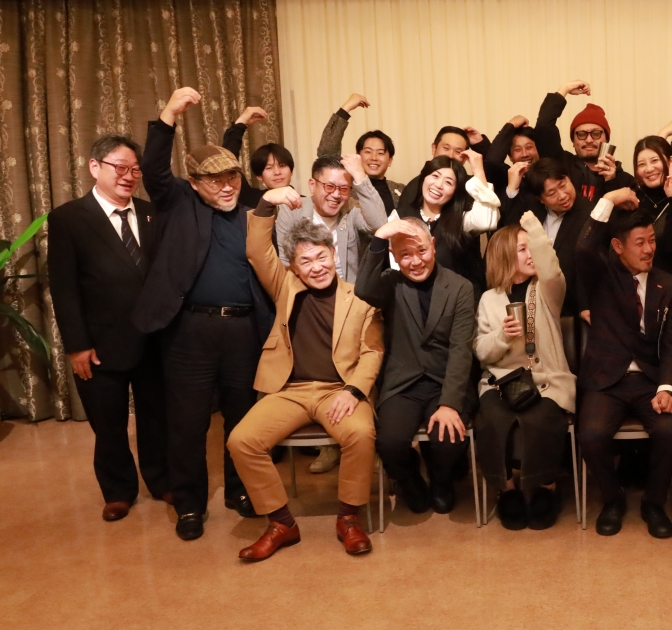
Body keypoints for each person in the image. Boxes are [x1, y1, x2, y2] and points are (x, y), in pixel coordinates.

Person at [132, 87, 274, 541]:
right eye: (214, 181)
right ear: (193, 183)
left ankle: (241, 491)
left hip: (243, 331)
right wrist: (169, 114)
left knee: (242, 419)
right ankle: (190, 504)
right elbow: (155, 169)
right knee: (188, 423)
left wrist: (238, 129)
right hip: (188, 333)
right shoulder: (179, 203)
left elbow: (221, 164)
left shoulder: (249, 212)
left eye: (232, 177)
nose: (226, 186)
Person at [226, 188, 384, 561]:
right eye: (306, 261)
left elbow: (372, 352)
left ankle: (348, 519)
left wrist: (353, 391)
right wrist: (267, 203)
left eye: (321, 256)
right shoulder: (285, 287)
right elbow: (257, 251)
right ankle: (281, 524)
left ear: (334, 255)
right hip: (289, 390)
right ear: (294, 267)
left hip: (339, 390)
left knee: (361, 434)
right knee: (241, 441)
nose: (316, 266)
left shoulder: (361, 298)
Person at [47, 134, 169, 522]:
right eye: (120, 167)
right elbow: (64, 288)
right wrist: (77, 345)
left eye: (135, 169)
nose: (128, 175)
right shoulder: (68, 218)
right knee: (109, 422)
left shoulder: (151, 213)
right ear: (94, 167)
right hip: (99, 344)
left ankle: (161, 479)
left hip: (154, 340)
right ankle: (118, 491)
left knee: (156, 417)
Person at [575, 189, 672, 539]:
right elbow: (583, 248)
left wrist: (668, 387)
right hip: (606, 380)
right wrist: (609, 199)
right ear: (618, 247)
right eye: (640, 243)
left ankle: (654, 502)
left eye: (652, 240)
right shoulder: (601, 275)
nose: (649, 249)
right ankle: (613, 499)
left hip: (651, 380)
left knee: (671, 431)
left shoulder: (669, 284)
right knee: (591, 435)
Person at [355, 216, 477, 516]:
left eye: (421, 250)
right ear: (395, 257)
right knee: (390, 442)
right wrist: (380, 237)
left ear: (433, 246)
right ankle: (408, 479)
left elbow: (461, 350)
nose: (416, 261)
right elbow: (363, 289)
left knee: (448, 439)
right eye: (405, 255)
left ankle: (441, 479)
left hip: (445, 380)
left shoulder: (460, 287)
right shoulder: (391, 284)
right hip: (403, 383)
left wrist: (449, 403)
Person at [474, 214, 575, 530]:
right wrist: (502, 336)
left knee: (543, 417)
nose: (530, 254)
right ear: (505, 255)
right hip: (501, 382)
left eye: (531, 247)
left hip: (546, 380)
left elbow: (551, 269)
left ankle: (547, 487)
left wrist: (533, 229)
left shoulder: (546, 289)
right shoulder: (489, 299)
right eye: (522, 249)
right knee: (491, 419)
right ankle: (507, 490)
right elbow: (482, 352)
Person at [392, 150, 500, 299]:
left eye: (448, 182)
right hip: (411, 299)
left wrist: (478, 172)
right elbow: (395, 265)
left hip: (455, 300)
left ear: (455, 191)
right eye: (435, 176)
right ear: (424, 178)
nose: (438, 185)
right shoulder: (400, 216)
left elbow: (487, 220)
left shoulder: (462, 219)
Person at [275, 154, 387, 284]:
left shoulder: (351, 208)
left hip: (347, 291)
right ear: (312, 185)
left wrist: (360, 176)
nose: (336, 195)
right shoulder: (292, 210)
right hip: (306, 290)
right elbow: (285, 261)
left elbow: (380, 225)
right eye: (329, 186)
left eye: (344, 189)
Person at [516, 157, 597, 318]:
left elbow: (587, 262)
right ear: (540, 199)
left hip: (570, 307)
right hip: (534, 303)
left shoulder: (590, 213)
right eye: (552, 193)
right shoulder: (532, 212)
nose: (562, 195)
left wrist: (585, 304)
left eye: (563, 185)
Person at [531, 80, 636, 202]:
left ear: (607, 138)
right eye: (581, 134)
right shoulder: (561, 165)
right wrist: (565, 89)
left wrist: (611, 182)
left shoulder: (626, 181)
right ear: (573, 141)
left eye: (596, 134)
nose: (589, 140)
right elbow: (543, 127)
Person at [316, 93, 402, 213]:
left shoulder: (401, 190)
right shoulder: (345, 186)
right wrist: (346, 109)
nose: (374, 157)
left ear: (390, 160)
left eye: (380, 153)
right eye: (368, 151)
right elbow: (326, 152)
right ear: (358, 156)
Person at [631, 135, 672, 272]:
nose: (649, 169)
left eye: (655, 160)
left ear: (670, 161)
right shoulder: (631, 200)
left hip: (662, 282)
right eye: (642, 164)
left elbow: (670, 248)